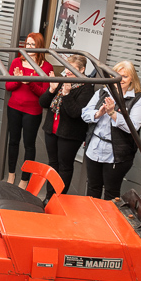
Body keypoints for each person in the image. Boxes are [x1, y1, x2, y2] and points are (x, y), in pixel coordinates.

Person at [80, 60, 141, 200]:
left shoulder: (139, 100)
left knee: (111, 192)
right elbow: (85, 113)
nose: (120, 79)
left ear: (132, 79)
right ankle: (91, 220)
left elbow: (133, 127)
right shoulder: (102, 92)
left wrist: (113, 114)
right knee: (93, 187)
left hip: (116, 154)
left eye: (125, 76)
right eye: (116, 75)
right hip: (94, 148)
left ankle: (106, 221)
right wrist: (97, 114)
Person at [38, 54, 93, 200]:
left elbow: (75, 113)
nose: (67, 71)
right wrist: (51, 90)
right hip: (52, 130)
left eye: (72, 69)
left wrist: (67, 94)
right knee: (53, 164)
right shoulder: (62, 81)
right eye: (67, 67)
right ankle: (49, 196)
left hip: (69, 135)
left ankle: (58, 198)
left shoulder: (86, 88)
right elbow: (43, 103)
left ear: (82, 70)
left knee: (64, 167)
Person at [5, 32, 54, 189]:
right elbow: (8, 86)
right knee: (13, 141)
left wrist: (30, 83)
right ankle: (11, 174)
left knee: (29, 144)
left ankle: (25, 179)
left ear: (39, 47)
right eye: (27, 44)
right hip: (14, 107)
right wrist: (19, 80)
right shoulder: (16, 62)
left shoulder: (46, 67)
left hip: (32, 111)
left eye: (33, 44)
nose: (29, 47)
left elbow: (44, 94)